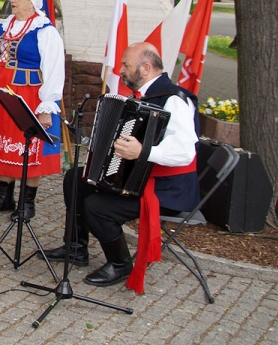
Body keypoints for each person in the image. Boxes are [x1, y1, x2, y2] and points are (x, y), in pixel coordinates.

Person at [45, 42, 200, 292]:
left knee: (97, 206)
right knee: (75, 178)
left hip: (167, 188)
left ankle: (120, 263)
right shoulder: (141, 97)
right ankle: (76, 248)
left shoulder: (175, 100)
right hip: (136, 177)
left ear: (145, 68)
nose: (121, 70)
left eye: (126, 65)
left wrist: (143, 152)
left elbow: (185, 152)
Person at [0, 0, 65, 220]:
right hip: (0, 94)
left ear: (32, 3)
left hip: (28, 95)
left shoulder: (44, 31)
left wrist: (47, 106)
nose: (12, 1)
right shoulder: (4, 27)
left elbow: (54, 70)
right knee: (2, 142)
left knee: (27, 147)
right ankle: (4, 197)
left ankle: (27, 204)